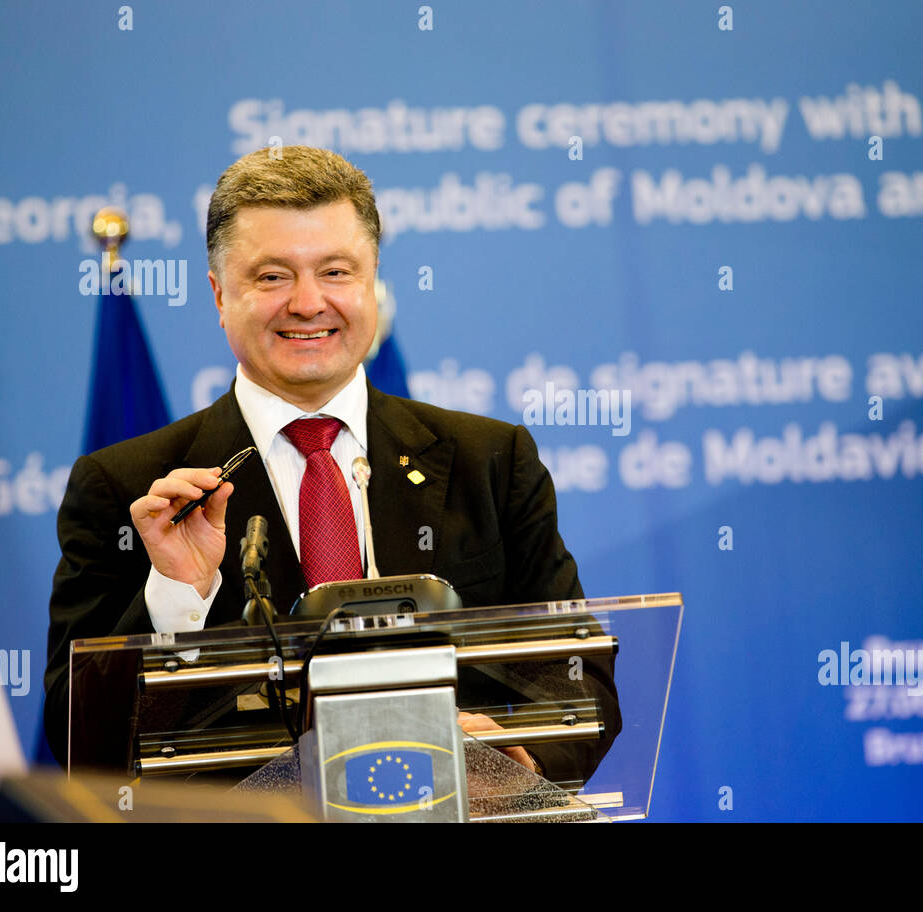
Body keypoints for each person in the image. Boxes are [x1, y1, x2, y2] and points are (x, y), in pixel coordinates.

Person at [44, 146, 618, 786]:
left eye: (336, 272)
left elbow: (578, 674)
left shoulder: (490, 461)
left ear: (372, 280)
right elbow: (81, 745)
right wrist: (177, 595)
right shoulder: (128, 486)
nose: (308, 303)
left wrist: (521, 761)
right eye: (271, 277)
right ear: (218, 294)